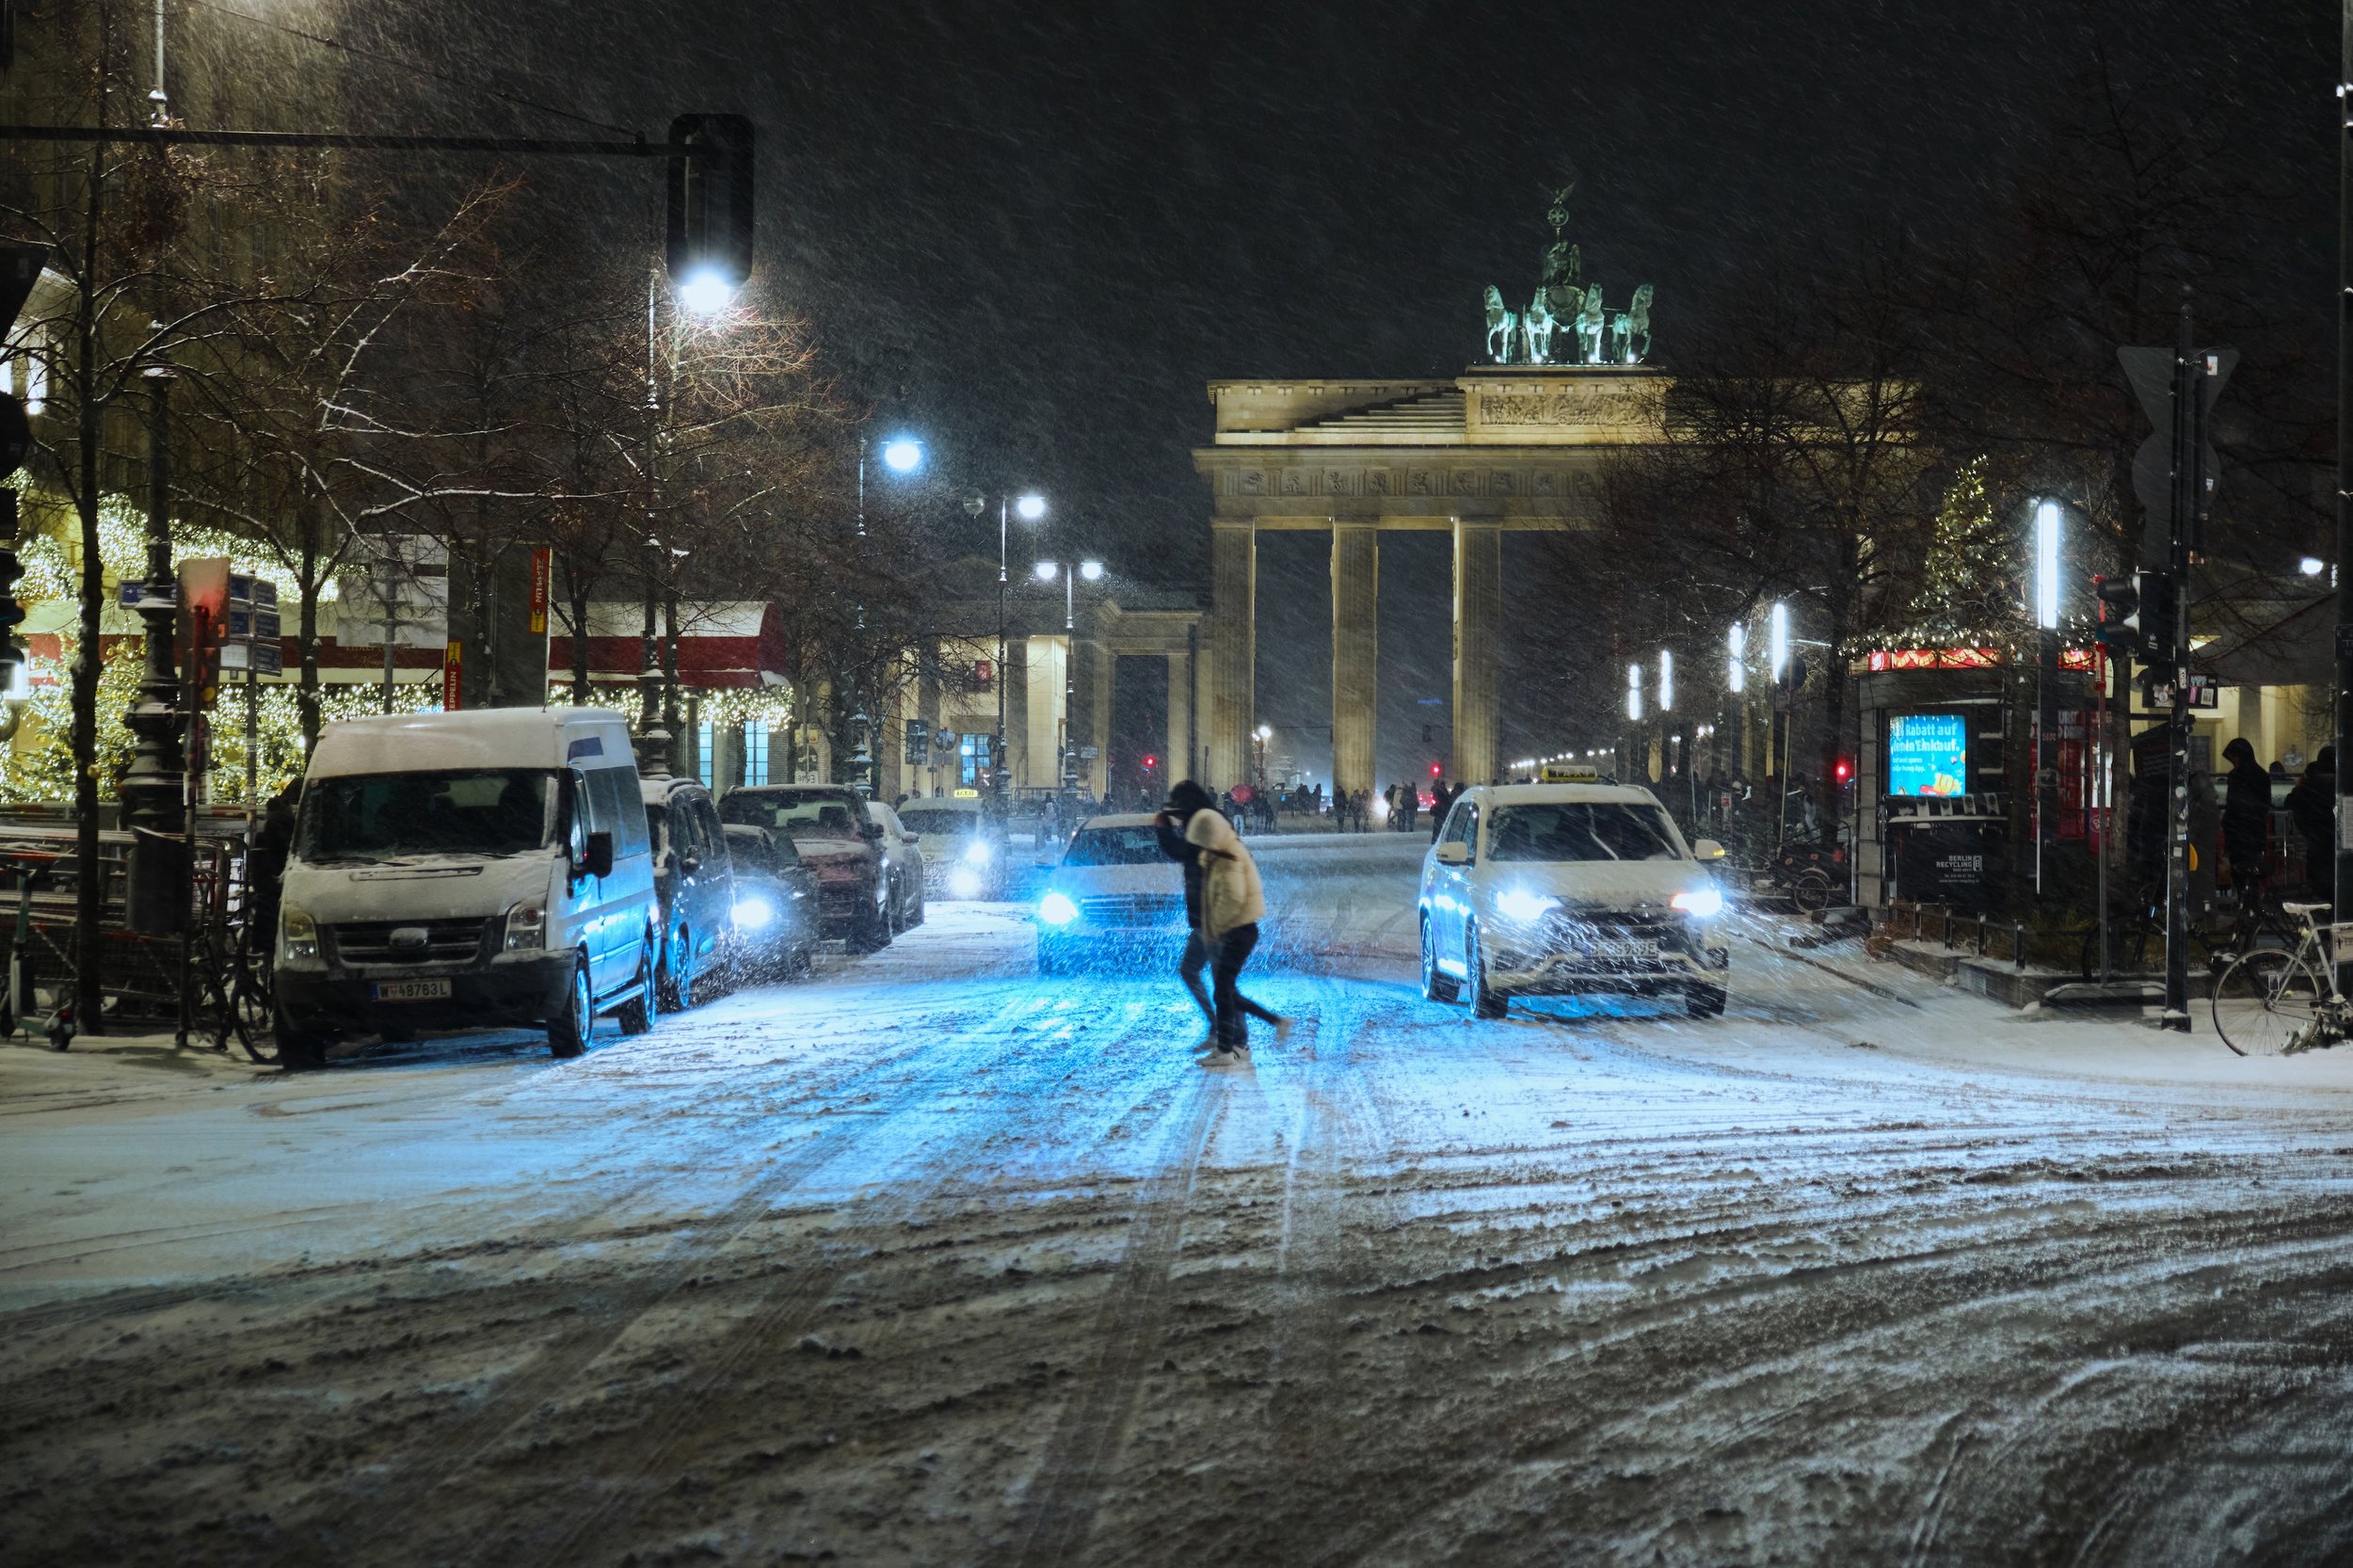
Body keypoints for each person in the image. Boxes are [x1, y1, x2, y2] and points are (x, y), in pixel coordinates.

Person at [1157, 780, 1282, 1053]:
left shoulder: (1206, 827)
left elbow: (1182, 853)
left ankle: (1236, 1040)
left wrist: (1163, 830)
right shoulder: (1201, 823)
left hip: (1216, 918)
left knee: (1221, 984)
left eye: (1177, 812)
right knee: (1201, 975)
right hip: (1204, 917)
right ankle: (1224, 1032)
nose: (1176, 818)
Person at [2221, 737, 2271, 921]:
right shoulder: (2262, 776)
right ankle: (2252, 911)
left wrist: (2228, 825)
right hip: (2254, 834)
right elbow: (2264, 806)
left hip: (2238, 835)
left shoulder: (2235, 777)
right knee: (2253, 875)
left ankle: (2246, 911)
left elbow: (2232, 806)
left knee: (2240, 874)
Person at [2288, 745, 2336, 900]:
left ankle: (2324, 911)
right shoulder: (2341, 783)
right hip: (2336, 841)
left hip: (2317, 840)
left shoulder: (2311, 784)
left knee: (2320, 885)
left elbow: (2291, 802)